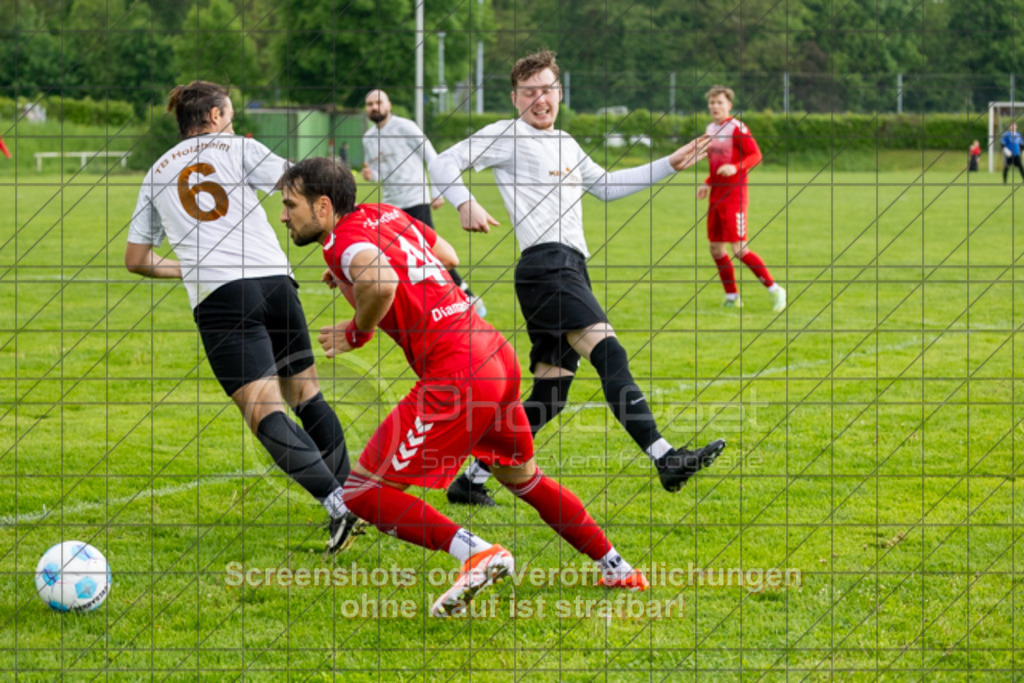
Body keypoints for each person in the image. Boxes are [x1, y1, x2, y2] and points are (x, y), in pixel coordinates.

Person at [278, 157, 653, 617]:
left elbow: (381, 281)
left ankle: (475, 551)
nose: (283, 215)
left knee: (362, 493)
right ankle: (616, 565)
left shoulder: (343, 241)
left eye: (289, 204)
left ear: (322, 207)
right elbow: (447, 255)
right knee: (522, 477)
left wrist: (358, 329)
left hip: (458, 374)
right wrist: (354, 275)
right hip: (495, 355)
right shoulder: (386, 214)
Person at [429, 50, 726, 506]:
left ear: (560, 93)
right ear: (515, 98)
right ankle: (664, 456)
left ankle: (470, 481)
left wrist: (669, 163)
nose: (539, 99)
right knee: (609, 350)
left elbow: (605, 186)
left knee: (549, 395)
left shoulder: (565, 142)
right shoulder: (507, 134)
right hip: (546, 268)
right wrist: (464, 201)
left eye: (547, 89)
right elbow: (443, 163)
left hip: (569, 269)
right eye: (529, 92)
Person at [125, 81, 361, 555]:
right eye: (229, 116)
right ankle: (355, 500)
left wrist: (190, 265)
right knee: (306, 394)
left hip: (221, 298)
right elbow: (301, 184)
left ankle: (339, 505)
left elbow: (137, 258)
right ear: (213, 116)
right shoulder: (239, 148)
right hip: (276, 281)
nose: (231, 123)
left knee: (264, 413)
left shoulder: (155, 171)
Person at [361, 89, 485, 316]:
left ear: (388, 104)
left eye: (378, 102)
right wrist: (372, 176)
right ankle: (436, 301)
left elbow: (432, 156)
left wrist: (437, 192)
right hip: (391, 206)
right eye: (369, 104)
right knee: (406, 256)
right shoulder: (368, 138)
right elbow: (380, 171)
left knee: (430, 252)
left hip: (416, 198)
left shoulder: (405, 127)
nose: (374, 107)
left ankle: (467, 296)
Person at [697, 85, 786, 312]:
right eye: (712, 103)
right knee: (716, 249)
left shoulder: (737, 128)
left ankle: (775, 290)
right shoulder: (711, 129)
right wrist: (708, 182)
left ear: (729, 105)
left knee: (739, 249)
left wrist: (735, 167)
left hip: (734, 197)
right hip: (716, 197)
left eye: (719, 102)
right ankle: (732, 296)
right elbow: (717, 164)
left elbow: (755, 155)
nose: (715, 106)